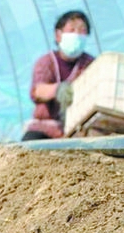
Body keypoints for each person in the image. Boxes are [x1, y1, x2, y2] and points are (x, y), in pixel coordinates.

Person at [22, 10, 95, 140]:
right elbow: (37, 90)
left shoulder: (90, 64)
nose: (77, 35)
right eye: (72, 30)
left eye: (82, 31)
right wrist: (58, 89)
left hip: (78, 129)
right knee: (30, 142)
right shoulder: (46, 62)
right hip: (46, 128)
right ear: (58, 35)